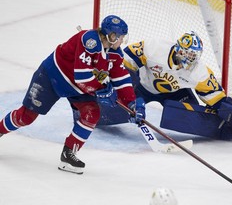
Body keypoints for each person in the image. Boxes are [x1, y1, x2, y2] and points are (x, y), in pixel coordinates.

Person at [0, 15, 145, 174]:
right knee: (26, 116)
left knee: (92, 114)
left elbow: (120, 77)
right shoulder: (89, 41)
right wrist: (103, 90)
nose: (122, 41)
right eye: (121, 37)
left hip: (80, 87)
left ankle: (68, 155)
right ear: (111, 36)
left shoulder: (115, 53)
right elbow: (82, 77)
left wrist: (132, 103)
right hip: (53, 76)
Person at [94, 31, 232, 141]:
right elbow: (124, 68)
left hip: (175, 94)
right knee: (111, 111)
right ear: (178, 50)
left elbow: (217, 100)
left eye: (194, 55)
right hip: (142, 86)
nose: (191, 58)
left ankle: (227, 130)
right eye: (187, 53)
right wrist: (131, 98)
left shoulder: (200, 72)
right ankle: (89, 111)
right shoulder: (154, 47)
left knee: (198, 119)